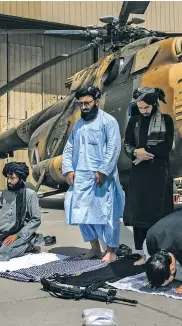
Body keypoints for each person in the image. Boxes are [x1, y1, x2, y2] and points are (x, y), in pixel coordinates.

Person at [62, 86, 125, 263]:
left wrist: (103, 170)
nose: (84, 107)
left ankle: (111, 251)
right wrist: (69, 170)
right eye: (81, 103)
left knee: (106, 214)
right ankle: (95, 248)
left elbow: (113, 148)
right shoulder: (79, 125)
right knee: (82, 214)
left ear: (96, 101)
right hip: (81, 178)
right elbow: (69, 148)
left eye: (87, 103)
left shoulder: (108, 121)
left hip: (101, 177)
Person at [123, 87, 175, 262]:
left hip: (159, 174)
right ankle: (144, 255)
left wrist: (144, 153)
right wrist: (135, 154)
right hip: (139, 175)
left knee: (158, 215)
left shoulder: (166, 120)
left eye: (146, 107)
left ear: (154, 104)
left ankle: (160, 254)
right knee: (140, 217)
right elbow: (127, 144)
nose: (143, 111)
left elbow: (167, 146)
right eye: (140, 108)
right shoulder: (134, 122)